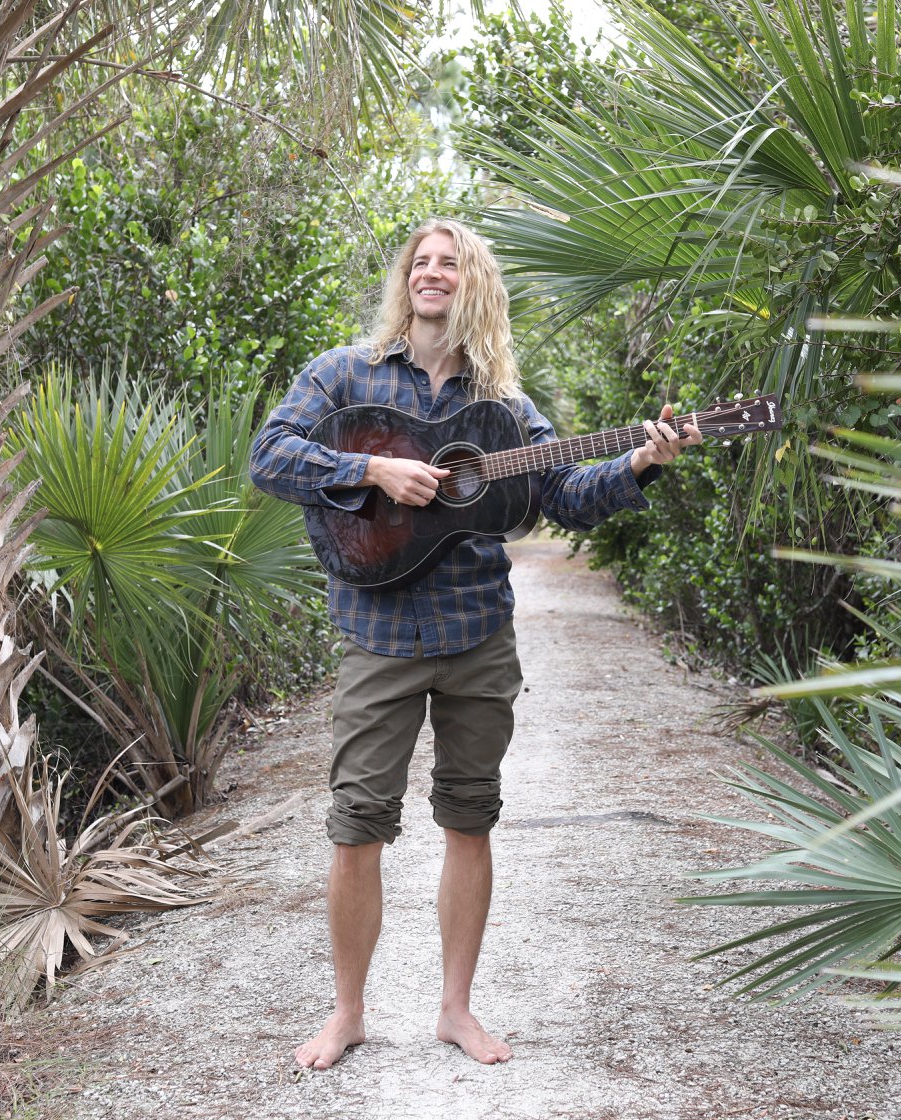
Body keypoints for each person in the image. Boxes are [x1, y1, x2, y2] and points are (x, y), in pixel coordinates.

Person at [249, 217, 700, 1070]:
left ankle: (456, 1010)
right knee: (356, 825)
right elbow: (271, 457)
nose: (431, 274)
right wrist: (370, 471)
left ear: (474, 284)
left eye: (449, 264)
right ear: (404, 281)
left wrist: (642, 462)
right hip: (376, 633)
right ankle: (347, 1014)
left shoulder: (504, 411)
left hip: (476, 633)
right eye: (420, 262)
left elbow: (566, 495)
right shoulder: (343, 375)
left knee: (469, 818)